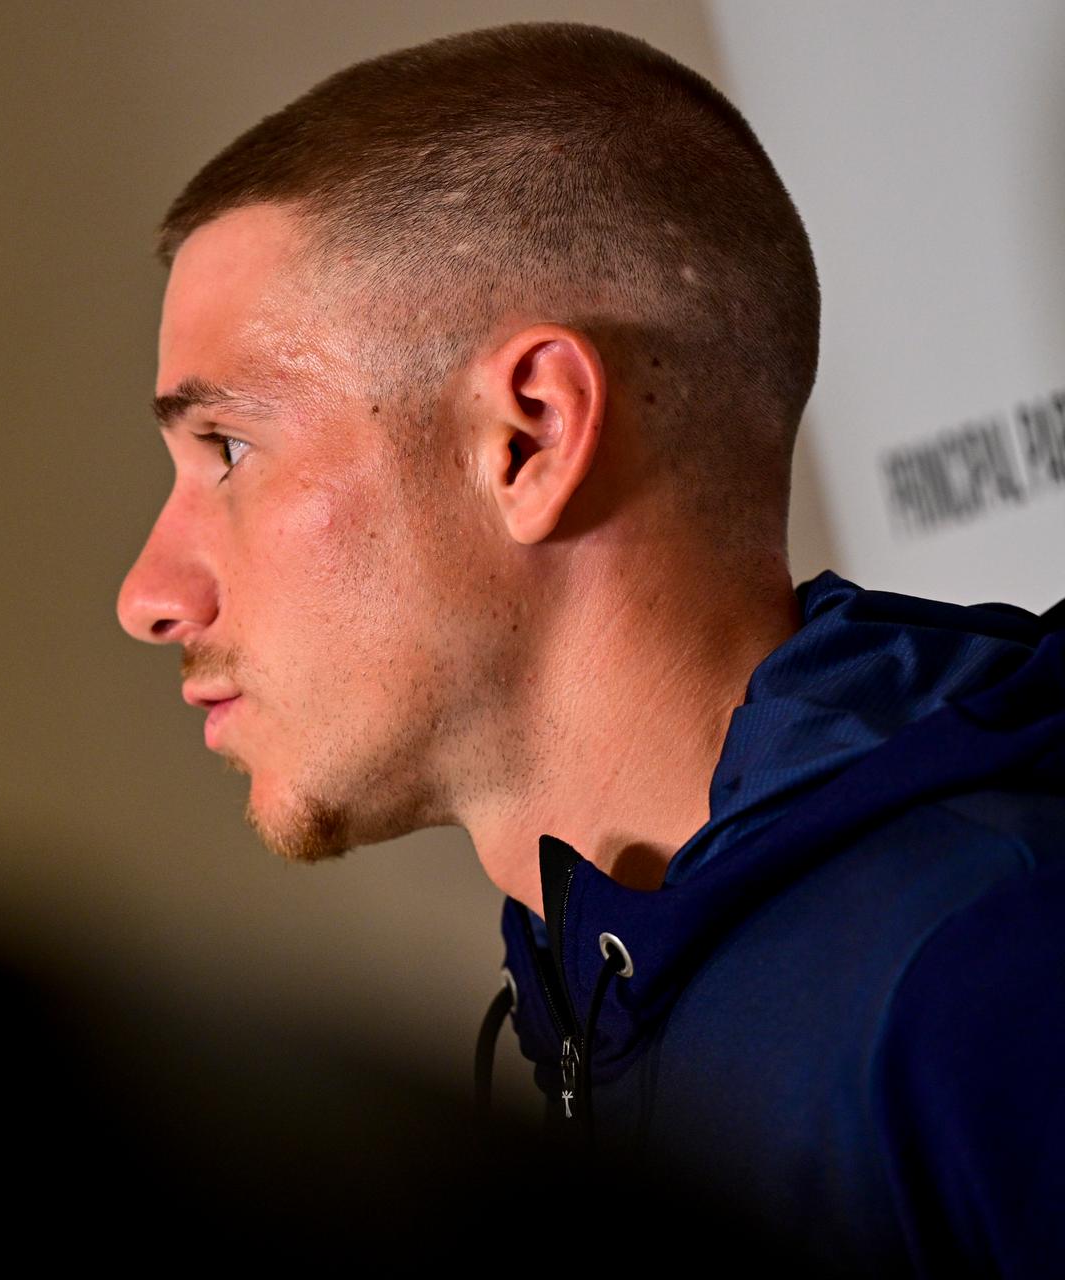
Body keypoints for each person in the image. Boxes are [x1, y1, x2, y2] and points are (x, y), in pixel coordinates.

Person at [116, 22, 1065, 1274]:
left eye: (229, 448)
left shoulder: (988, 977)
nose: (148, 594)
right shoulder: (597, 1010)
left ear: (531, 436)